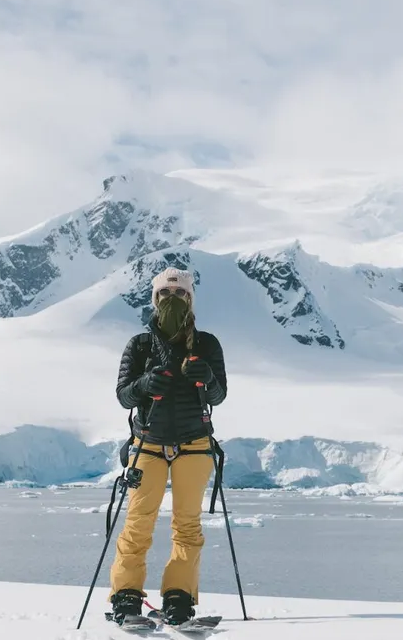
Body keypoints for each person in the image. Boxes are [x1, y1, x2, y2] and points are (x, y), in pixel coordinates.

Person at [107, 267, 228, 627]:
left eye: (179, 294)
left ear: (190, 299)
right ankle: (126, 597)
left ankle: (178, 599)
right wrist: (144, 383)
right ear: (155, 299)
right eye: (164, 294)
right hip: (149, 443)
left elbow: (218, 396)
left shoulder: (207, 344)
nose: (171, 300)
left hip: (193, 444)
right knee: (138, 523)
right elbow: (123, 396)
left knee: (186, 525)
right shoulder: (140, 346)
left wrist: (206, 379)